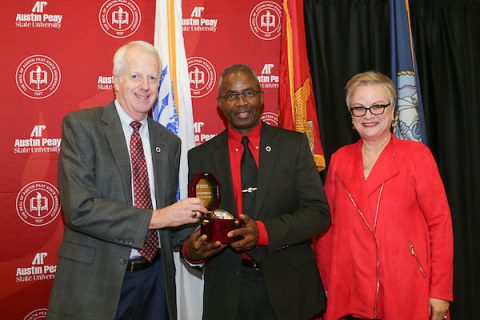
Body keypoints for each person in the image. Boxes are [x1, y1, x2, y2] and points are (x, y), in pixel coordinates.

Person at [47, 40, 206, 320]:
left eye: (153, 77)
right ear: (116, 82)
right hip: (98, 282)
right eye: (135, 76)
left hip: (156, 281)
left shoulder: (168, 142)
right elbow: (79, 209)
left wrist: (200, 235)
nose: (145, 86)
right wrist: (157, 218)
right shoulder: (82, 127)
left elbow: (167, 218)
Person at [183, 64, 331, 320]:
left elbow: (318, 215)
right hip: (228, 293)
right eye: (231, 95)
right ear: (220, 104)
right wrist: (191, 252)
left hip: (290, 289)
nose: (241, 102)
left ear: (262, 97)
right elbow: (192, 223)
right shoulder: (200, 157)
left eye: (248, 93)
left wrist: (262, 232)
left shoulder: (293, 146)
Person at [315, 71, 454, 320]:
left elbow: (440, 225)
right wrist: (327, 284)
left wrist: (440, 291)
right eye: (359, 108)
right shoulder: (339, 160)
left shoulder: (417, 156)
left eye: (378, 106)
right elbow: (328, 229)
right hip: (352, 288)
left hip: (406, 287)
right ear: (351, 116)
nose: (368, 115)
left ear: (392, 111)